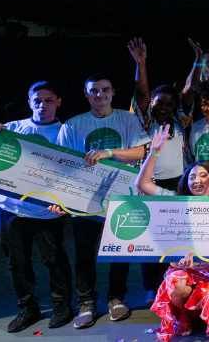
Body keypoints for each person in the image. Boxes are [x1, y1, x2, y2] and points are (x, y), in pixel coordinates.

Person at [55, 73, 151, 328]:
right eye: (94, 90)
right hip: (84, 199)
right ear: (86, 95)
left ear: (113, 92)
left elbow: (141, 151)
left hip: (122, 198)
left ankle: (116, 299)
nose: (100, 94)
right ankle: (86, 304)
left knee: (119, 252)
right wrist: (59, 197)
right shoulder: (72, 126)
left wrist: (108, 152)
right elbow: (62, 165)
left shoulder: (127, 119)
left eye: (105, 89)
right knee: (85, 254)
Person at [134, 128, 209, 341]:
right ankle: (182, 314)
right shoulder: (174, 200)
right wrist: (154, 152)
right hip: (184, 268)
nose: (197, 180)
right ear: (186, 182)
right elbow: (142, 185)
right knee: (176, 282)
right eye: (192, 177)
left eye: (203, 175)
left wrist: (204, 261)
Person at [0, 82, 73, 332]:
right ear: (29, 102)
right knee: (17, 262)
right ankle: (27, 308)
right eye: (37, 100)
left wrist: (67, 203)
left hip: (46, 211)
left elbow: (73, 172)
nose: (42, 105)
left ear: (58, 101)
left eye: (49, 100)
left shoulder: (66, 131)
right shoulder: (13, 128)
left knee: (54, 259)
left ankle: (62, 306)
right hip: (9, 208)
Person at [127, 37, 191, 305]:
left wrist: (197, 62)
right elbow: (141, 94)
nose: (163, 107)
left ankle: (171, 281)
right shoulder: (143, 121)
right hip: (149, 184)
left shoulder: (179, 120)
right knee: (150, 237)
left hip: (176, 184)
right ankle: (152, 287)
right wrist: (141, 63)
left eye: (169, 103)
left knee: (172, 235)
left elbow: (189, 89)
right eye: (159, 102)